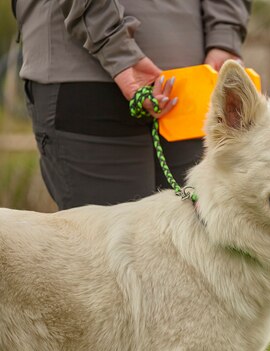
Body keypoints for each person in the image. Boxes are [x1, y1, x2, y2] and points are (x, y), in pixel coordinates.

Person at [16, 0, 252, 210]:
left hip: (185, 86)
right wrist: (225, 36)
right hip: (109, 79)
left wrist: (224, 37)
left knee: (116, 253)